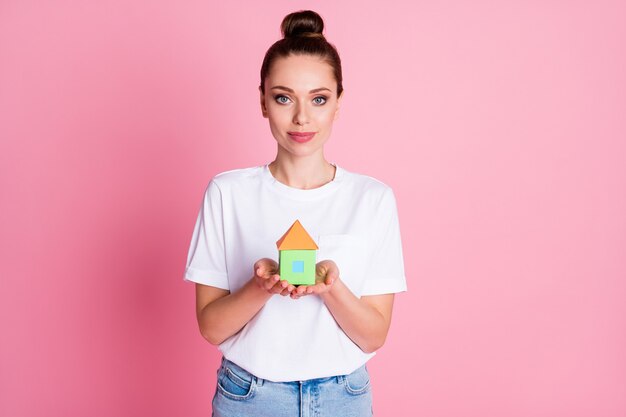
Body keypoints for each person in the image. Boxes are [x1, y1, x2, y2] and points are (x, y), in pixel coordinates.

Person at [183, 9, 407, 417]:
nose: (302, 117)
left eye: (318, 99)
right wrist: (261, 286)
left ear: (339, 102)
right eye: (283, 97)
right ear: (263, 102)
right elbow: (211, 327)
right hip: (248, 396)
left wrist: (331, 287)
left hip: (344, 397)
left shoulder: (372, 199)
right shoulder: (227, 193)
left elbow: (374, 335)